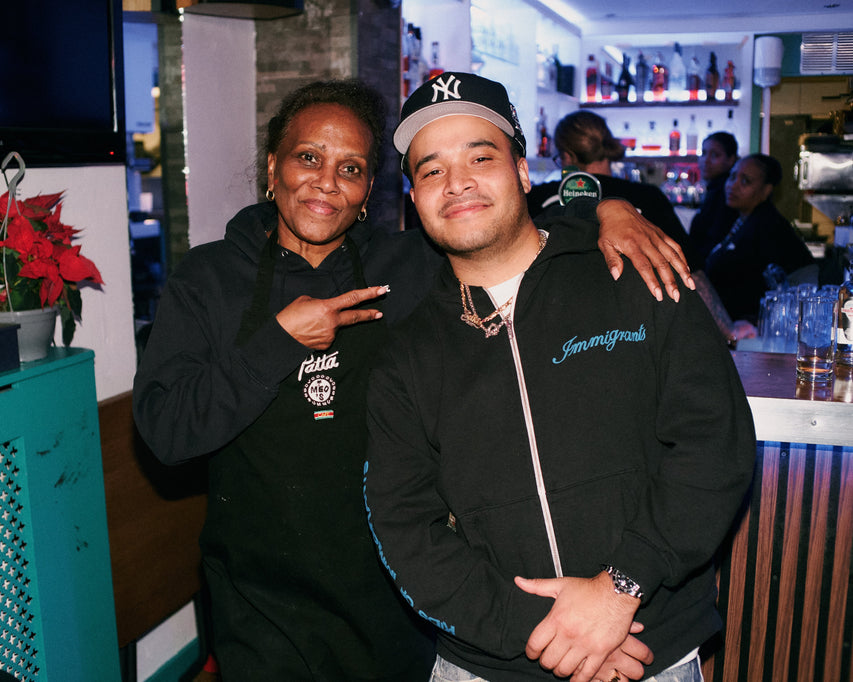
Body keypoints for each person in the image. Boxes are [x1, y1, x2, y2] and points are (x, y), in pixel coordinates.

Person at [132, 78, 692, 681]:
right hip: (264, 602)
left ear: (370, 190)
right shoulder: (209, 279)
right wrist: (278, 343)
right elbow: (167, 433)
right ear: (273, 168)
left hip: (396, 593)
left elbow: (505, 225)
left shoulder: (411, 263)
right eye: (308, 158)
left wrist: (607, 211)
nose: (327, 181)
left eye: (351, 168)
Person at [364, 72, 756, 682]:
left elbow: (715, 442)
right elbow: (404, 525)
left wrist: (621, 587)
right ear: (414, 200)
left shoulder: (635, 274)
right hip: (490, 663)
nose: (457, 181)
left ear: (524, 173)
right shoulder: (406, 354)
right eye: (431, 169)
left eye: (480, 157)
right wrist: (547, 632)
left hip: (646, 649)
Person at [528, 110, 754, 344]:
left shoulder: (538, 197)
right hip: (636, 334)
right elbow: (689, 270)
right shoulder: (647, 197)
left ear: (566, 156)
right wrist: (729, 331)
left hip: (554, 332)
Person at [705, 153, 815, 323]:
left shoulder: (768, 226)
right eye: (732, 177)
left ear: (766, 191)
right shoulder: (741, 219)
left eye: (745, 181)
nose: (733, 185)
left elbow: (751, 288)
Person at [689, 132, 738, 262]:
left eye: (715, 155)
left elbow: (715, 239)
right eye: (703, 153)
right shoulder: (714, 189)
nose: (706, 160)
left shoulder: (727, 192)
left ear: (731, 160)